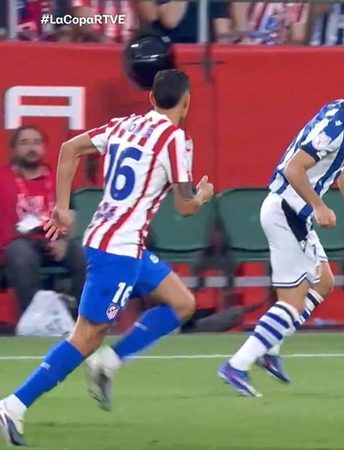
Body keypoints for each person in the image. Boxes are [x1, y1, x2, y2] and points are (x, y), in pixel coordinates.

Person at [0, 69, 215, 446]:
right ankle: (13, 405)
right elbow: (184, 207)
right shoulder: (174, 139)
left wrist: (62, 208)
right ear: (187, 102)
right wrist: (202, 197)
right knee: (86, 336)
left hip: (118, 241)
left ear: (151, 99)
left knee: (182, 303)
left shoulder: (125, 125)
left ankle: (108, 364)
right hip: (119, 251)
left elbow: (69, 149)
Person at [217, 70, 344, 397]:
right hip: (287, 213)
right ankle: (237, 365)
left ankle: (270, 348)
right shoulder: (334, 130)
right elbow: (293, 168)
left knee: (324, 282)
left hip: (294, 214)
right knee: (292, 302)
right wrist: (318, 205)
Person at [0, 126, 86, 315]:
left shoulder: (58, 178)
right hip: (16, 243)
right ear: (13, 149)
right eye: (24, 143)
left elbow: (70, 213)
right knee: (20, 253)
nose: (31, 148)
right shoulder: (2, 177)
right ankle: (37, 319)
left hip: (53, 239)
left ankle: (75, 317)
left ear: (44, 148)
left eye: (36, 143)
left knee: (83, 255)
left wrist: (63, 241)